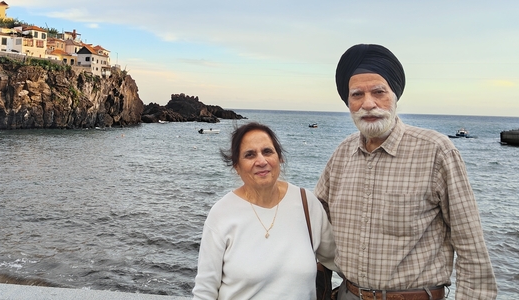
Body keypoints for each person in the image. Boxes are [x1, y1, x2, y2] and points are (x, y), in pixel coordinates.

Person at [315, 44, 497, 300]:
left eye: (379, 92)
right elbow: (313, 218)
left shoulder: (436, 151)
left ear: (395, 96)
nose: (368, 103)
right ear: (348, 102)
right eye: (357, 95)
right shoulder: (342, 154)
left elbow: (470, 247)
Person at [193, 122, 336, 300]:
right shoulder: (221, 214)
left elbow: (338, 260)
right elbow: (205, 291)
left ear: (280, 158)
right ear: (236, 166)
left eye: (267, 152)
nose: (261, 161)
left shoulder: (306, 203)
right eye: (250, 155)